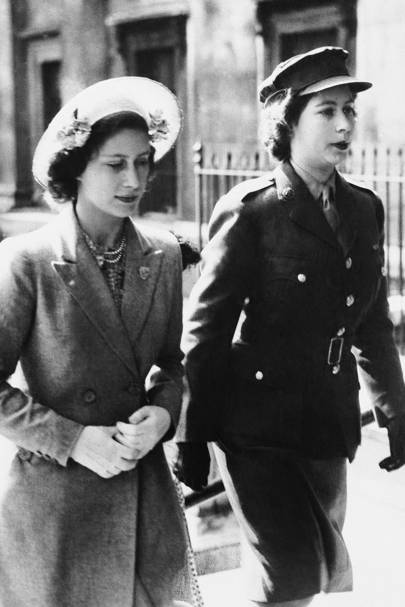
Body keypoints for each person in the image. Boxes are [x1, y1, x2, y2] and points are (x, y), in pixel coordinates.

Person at [175, 46, 405, 606]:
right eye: (327, 111)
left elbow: (371, 321)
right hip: (255, 429)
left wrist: (395, 410)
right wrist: (192, 434)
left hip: (326, 425)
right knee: (291, 578)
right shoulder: (249, 211)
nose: (345, 124)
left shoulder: (363, 208)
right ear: (289, 121)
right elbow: (205, 333)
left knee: (313, 576)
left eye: (349, 110)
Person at [0, 76, 197, 607]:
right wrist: (72, 440)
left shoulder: (164, 254)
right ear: (77, 168)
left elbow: (171, 367)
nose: (133, 179)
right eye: (115, 164)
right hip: (57, 507)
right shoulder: (28, 260)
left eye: (142, 162)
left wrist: (163, 415)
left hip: (143, 499)